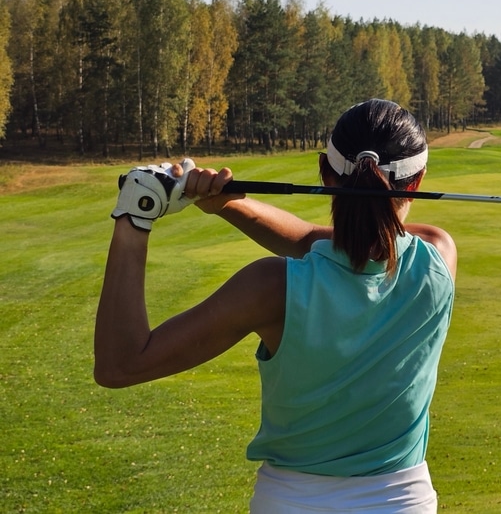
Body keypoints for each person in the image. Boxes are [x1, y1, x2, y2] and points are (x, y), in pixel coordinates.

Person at [94, 99, 458, 513]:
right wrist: (226, 204)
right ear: (419, 180)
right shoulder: (438, 258)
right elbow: (321, 240)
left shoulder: (269, 287)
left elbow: (120, 365)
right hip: (403, 502)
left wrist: (135, 215)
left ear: (324, 171)